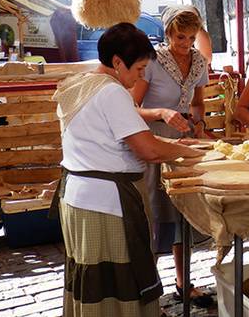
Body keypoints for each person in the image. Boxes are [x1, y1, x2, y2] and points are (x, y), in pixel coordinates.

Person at [51, 23, 203, 317]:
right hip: (104, 203)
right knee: (115, 277)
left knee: (93, 274)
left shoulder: (79, 83)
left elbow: (136, 136)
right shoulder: (112, 93)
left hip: (77, 198)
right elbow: (147, 149)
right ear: (118, 62)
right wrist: (189, 151)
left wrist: (177, 146)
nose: (141, 76)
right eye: (139, 68)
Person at [130, 6, 214, 308]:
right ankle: (147, 291)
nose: (185, 44)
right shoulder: (151, 61)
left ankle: (183, 282)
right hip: (151, 143)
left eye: (191, 37)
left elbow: (198, 103)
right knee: (154, 213)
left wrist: (199, 123)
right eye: (180, 37)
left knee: (182, 213)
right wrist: (162, 113)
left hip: (184, 144)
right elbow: (132, 108)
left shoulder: (198, 62)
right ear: (168, 33)